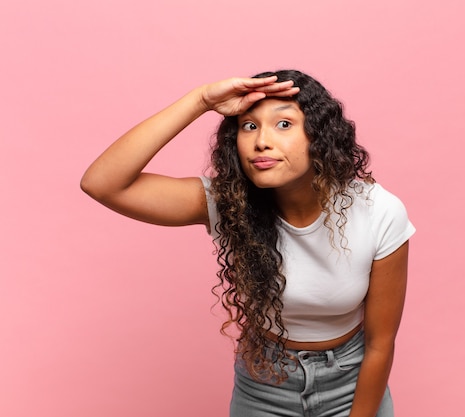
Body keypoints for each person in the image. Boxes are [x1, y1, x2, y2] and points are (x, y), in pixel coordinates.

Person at [81, 69, 415, 417]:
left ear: (319, 135)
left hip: (351, 382)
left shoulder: (378, 211)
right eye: (249, 125)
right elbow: (102, 183)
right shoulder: (229, 203)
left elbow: (380, 344)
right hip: (265, 384)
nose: (261, 141)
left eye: (283, 124)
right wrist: (201, 100)